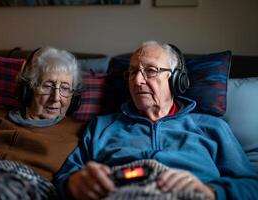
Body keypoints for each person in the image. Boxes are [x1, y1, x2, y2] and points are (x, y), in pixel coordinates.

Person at [54, 41, 258, 200]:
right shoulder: (101, 126)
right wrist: (75, 184)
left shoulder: (212, 126)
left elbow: (251, 186)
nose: (137, 80)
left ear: (176, 79)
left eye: (150, 70)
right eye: (132, 72)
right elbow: (65, 178)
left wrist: (211, 192)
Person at [0, 46, 85, 181]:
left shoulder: (80, 132)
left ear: (73, 98)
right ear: (27, 90)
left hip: (24, 183)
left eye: (65, 88)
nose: (56, 98)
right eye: (47, 86)